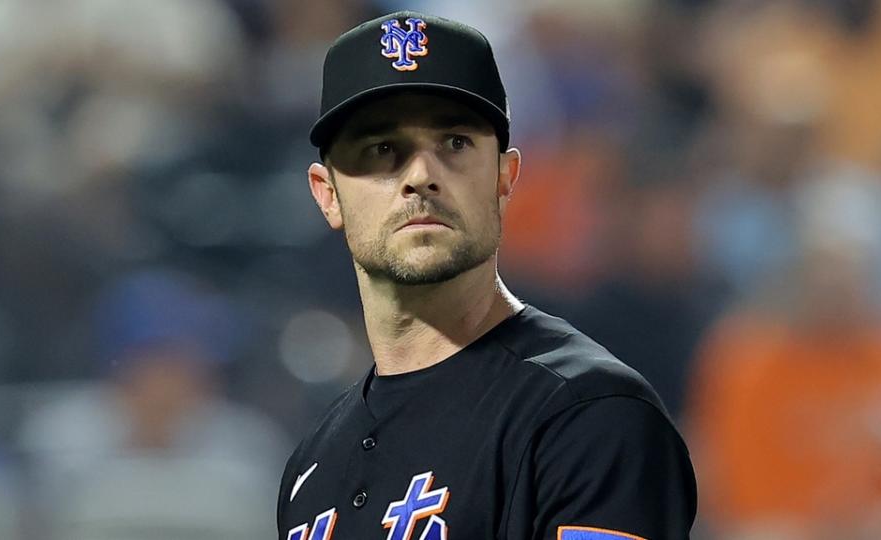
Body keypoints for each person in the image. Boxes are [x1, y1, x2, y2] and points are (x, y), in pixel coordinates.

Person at [277, 11, 696, 540]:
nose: (421, 176)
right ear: (327, 193)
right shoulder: (310, 468)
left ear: (504, 177)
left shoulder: (588, 415)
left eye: (454, 144)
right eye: (382, 149)